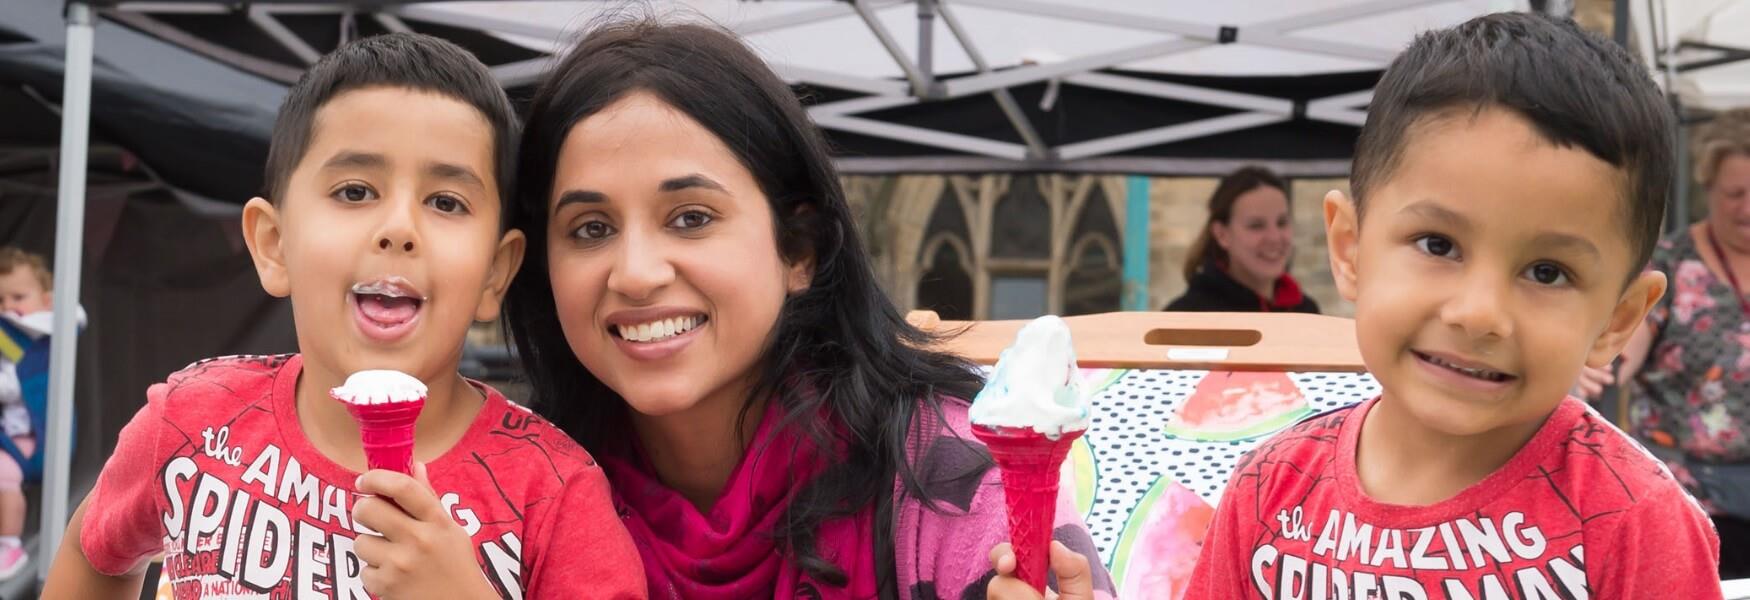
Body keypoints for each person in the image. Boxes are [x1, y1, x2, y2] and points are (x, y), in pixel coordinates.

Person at [499, 18, 1112, 600]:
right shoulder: (512, 493)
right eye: (590, 228)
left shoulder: (956, 487)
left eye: (691, 218)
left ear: (800, 249)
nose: (635, 274)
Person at [41, 33, 645, 599]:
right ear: (274, 245)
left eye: (445, 201)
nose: (399, 229)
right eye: (355, 191)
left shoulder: (555, 494)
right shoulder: (189, 421)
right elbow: (94, 551)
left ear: (495, 272)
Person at [1186, 13, 1721, 598]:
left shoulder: (1635, 519)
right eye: (1437, 244)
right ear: (1350, 251)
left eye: (1548, 272)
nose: (1479, 313)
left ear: (1618, 319)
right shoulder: (1268, 488)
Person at [1580, 106, 1750, 578]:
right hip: (1698, 495)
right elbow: (1625, 346)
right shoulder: (1672, 266)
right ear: (1708, 188)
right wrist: (1597, 361)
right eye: (1736, 193)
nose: (1748, 208)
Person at [1165, 166, 1319, 313]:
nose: (1274, 237)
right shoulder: (1186, 317)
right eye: (1256, 225)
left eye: (1282, 222)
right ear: (1222, 235)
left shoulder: (1307, 312)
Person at [0, 246, 61, 579]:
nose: (9, 308)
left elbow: (15, 382)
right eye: (1, 301)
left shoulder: (43, 335)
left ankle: (10, 544)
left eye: (18, 297)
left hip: (33, 439)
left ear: (47, 301)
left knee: (3, 472)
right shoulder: (9, 335)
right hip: (10, 432)